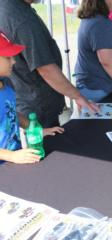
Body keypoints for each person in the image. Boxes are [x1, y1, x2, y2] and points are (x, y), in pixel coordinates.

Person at [0, 0, 98, 128]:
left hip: (29, 99)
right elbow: (45, 68)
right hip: (38, 105)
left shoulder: (11, 7)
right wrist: (77, 96)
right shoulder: (20, 18)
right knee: (46, 145)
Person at [0, 34, 64, 164]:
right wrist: (11, 156)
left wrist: (36, 130)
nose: (13, 61)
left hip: (13, 159)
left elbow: (11, 112)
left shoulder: (6, 84)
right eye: (8, 57)